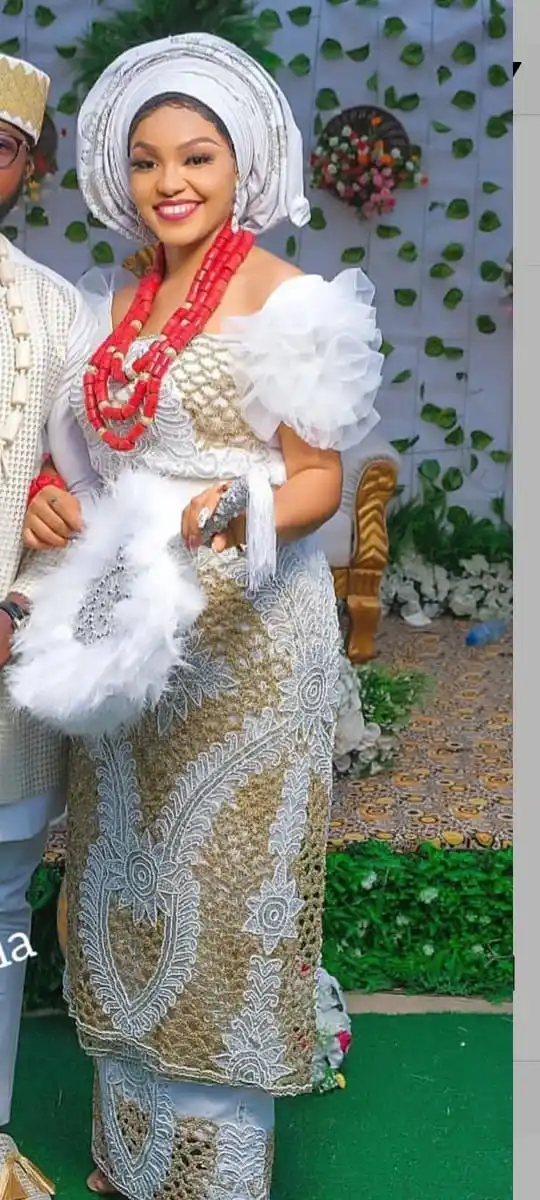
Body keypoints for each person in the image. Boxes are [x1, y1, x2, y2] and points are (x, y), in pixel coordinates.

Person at [21, 34, 384, 1199]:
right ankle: (134, 1162)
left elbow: (320, 478)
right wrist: (49, 491)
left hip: (247, 636)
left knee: (223, 895)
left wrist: (238, 512)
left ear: (243, 166)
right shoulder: (119, 299)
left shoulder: (292, 301)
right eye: (146, 160)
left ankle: (212, 1175)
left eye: (196, 156)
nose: (169, 181)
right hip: (131, 632)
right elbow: (95, 456)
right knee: (127, 879)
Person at [0, 50, 99, 1194]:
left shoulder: (59, 312)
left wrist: (19, 602)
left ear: (31, 167)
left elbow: (84, 502)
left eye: (1, 145)